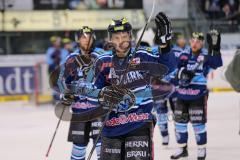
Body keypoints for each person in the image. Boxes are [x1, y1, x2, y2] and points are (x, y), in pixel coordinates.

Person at [60, 12, 175, 160]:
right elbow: (92, 92)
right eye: (116, 37)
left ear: (130, 37)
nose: (121, 41)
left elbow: (168, 67)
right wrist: (103, 95)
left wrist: (165, 45)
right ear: (110, 40)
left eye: (124, 37)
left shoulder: (143, 55)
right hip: (111, 127)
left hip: (138, 124)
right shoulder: (102, 61)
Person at [170, 30, 223, 160]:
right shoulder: (183, 54)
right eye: (193, 40)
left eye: (198, 41)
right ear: (190, 41)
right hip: (181, 95)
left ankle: (201, 149)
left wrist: (215, 49)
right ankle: (182, 148)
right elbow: (173, 71)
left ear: (202, 43)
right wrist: (181, 75)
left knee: (198, 124)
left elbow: (216, 64)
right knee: (179, 124)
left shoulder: (205, 55)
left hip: (198, 95)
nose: (195, 43)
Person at [58, 26, 106, 160]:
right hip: (79, 110)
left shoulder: (102, 56)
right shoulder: (71, 58)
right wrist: (65, 94)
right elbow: (62, 81)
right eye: (83, 37)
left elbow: (111, 77)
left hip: (99, 109)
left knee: (101, 144)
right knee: (78, 145)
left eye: (89, 37)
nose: (86, 40)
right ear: (77, 40)